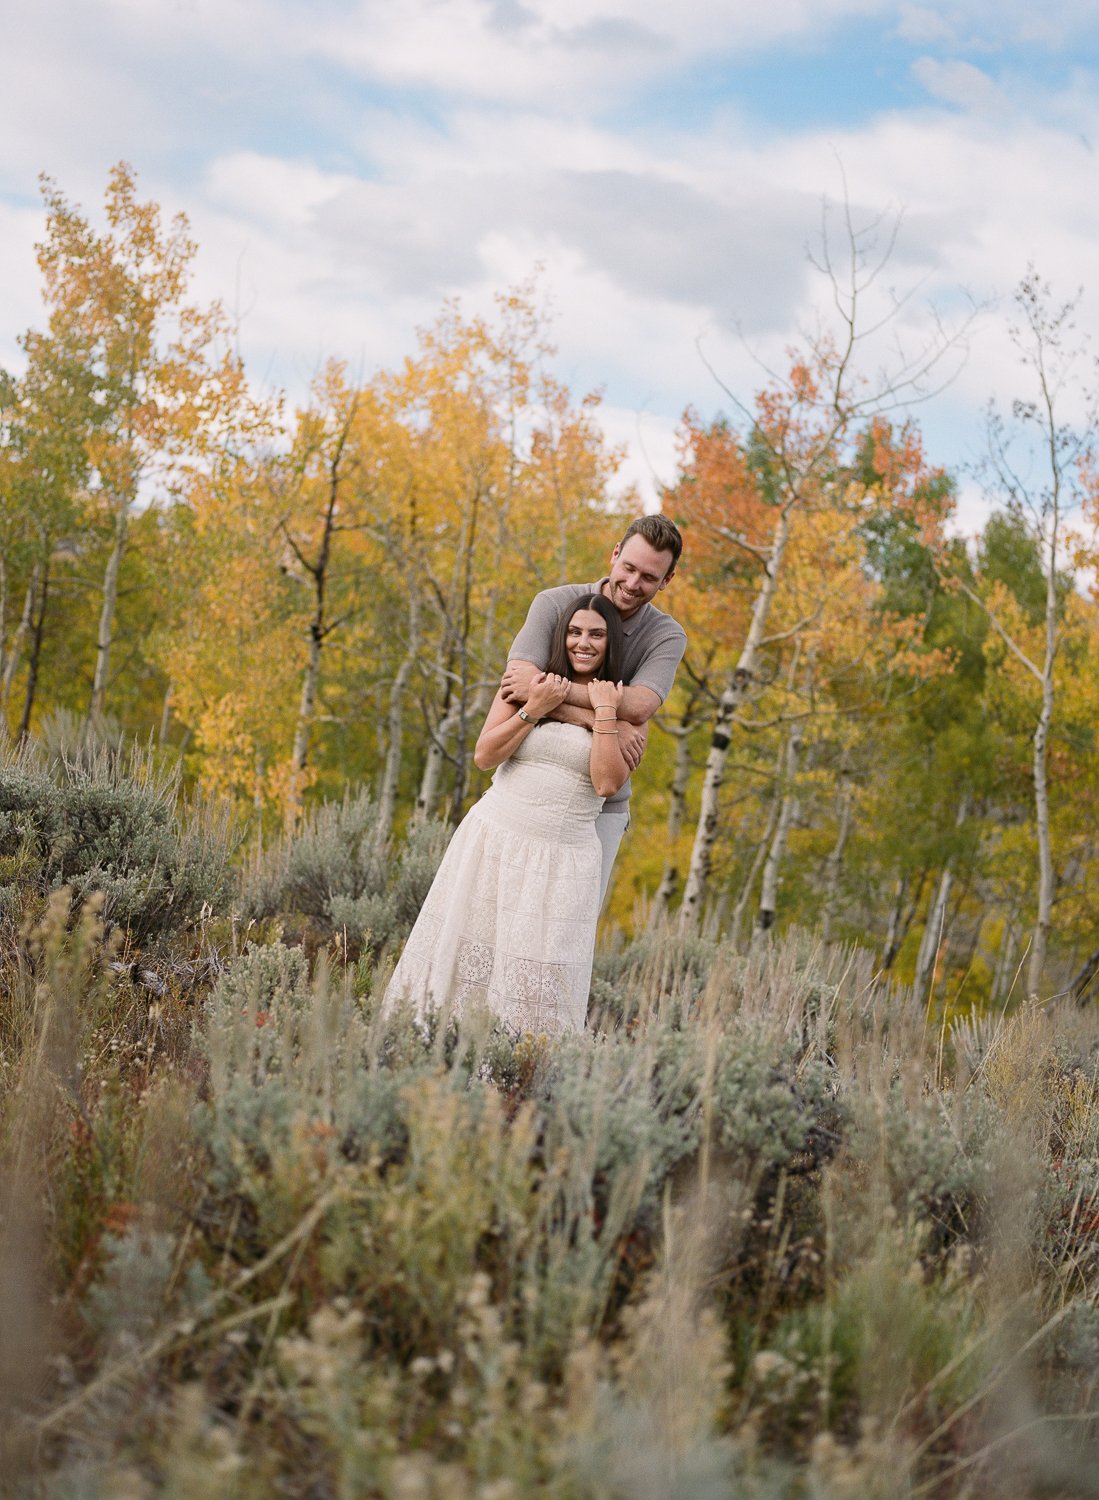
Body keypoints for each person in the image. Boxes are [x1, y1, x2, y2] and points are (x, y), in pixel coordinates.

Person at [384, 595, 629, 1035]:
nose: (584, 643)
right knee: (460, 959)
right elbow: (484, 755)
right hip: (494, 838)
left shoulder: (624, 706)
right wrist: (535, 709)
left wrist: (605, 711)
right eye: (575, 632)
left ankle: (516, 1082)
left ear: (611, 643)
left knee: (537, 982)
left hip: (562, 860)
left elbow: (607, 783)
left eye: (597, 634)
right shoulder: (526, 684)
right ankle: (429, 1053)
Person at [501, 514, 685, 906]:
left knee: (570, 924)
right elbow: (518, 679)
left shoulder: (666, 635)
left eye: (649, 578)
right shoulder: (553, 603)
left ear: (667, 580)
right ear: (614, 554)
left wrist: (551, 696)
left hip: (601, 808)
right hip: (527, 787)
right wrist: (601, 719)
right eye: (629, 568)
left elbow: (640, 705)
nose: (633, 584)